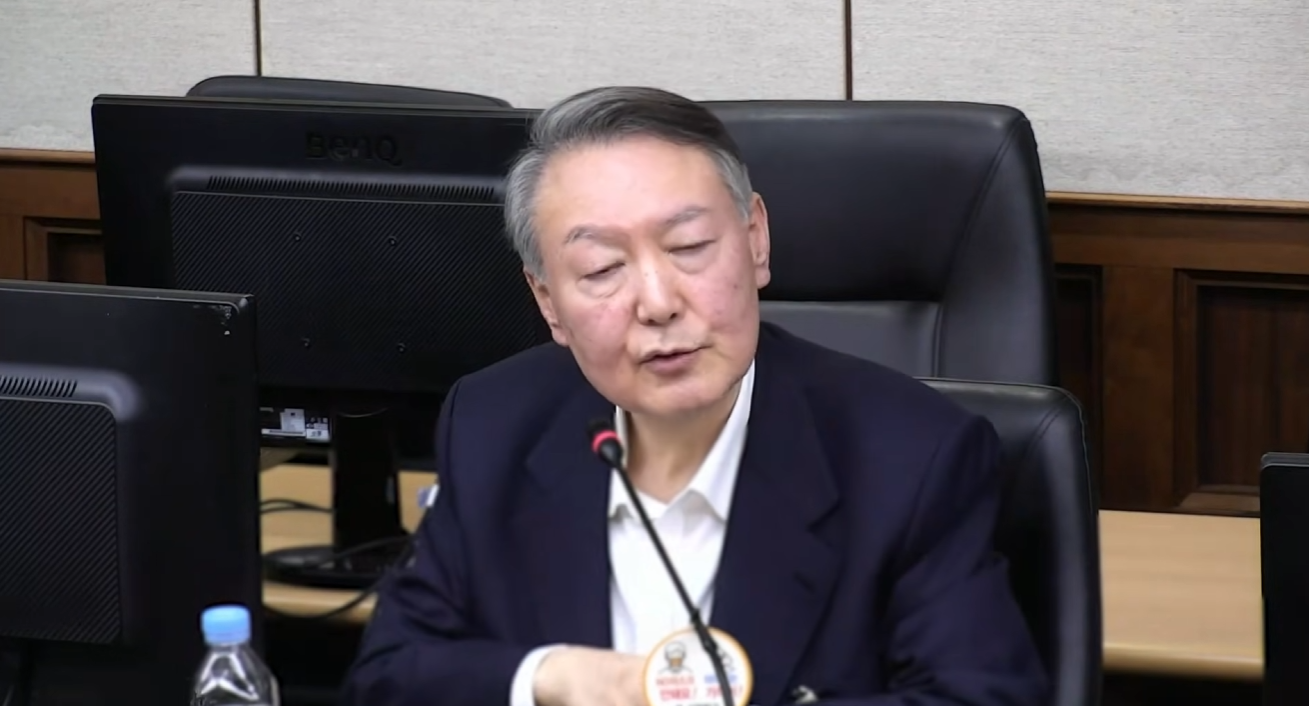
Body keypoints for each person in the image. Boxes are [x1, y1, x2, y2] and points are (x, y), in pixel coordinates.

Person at [341, 86, 1048, 706]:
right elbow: (389, 677)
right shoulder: (494, 424)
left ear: (755, 241)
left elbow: (978, 696)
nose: (657, 303)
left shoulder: (912, 456)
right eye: (601, 268)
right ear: (548, 301)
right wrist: (550, 678)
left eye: (688, 248)